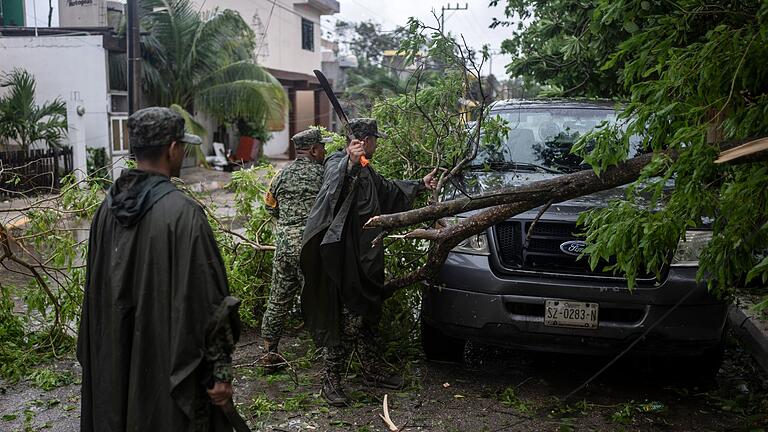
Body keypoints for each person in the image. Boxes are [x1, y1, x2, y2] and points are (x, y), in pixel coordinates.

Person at [77, 107, 241, 432]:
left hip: (116, 364)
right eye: (182, 145)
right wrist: (219, 374)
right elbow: (210, 307)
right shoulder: (185, 216)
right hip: (166, 371)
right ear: (172, 149)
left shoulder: (104, 212)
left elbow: (94, 300)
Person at [300, 118, 438, 406]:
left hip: (367, 256)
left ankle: (371, 371)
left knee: (368, 314)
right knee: (346, 320)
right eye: (375, 139)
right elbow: (333, 188)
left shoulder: (366, 167)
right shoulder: (339, 161)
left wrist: (420, 185)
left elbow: (388, 190)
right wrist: (348, 164)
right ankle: (331, 381)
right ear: (364, 140)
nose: (377, 144)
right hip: (344, 257)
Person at [260, 128, 329, 369]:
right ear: (312, 150)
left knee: (278, 300)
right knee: (317, 300)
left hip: (284, 247)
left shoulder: (281, 174)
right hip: (310, 248)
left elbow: (269, 207)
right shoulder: (323, 175)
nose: (325, 151)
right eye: (322, 147)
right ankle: (325, 356)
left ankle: (269, 353)